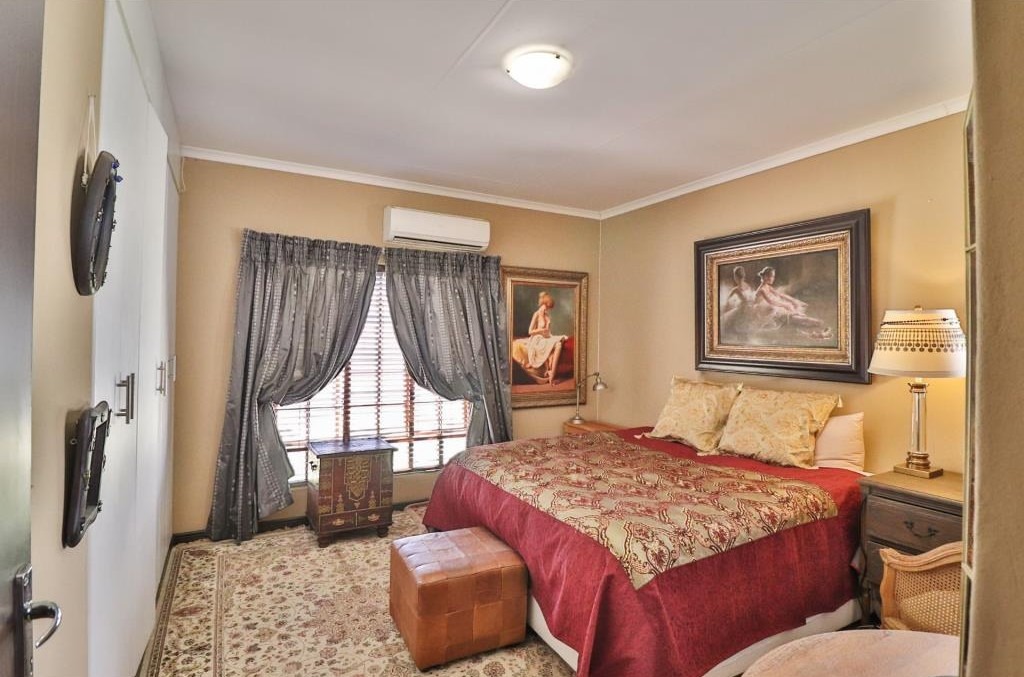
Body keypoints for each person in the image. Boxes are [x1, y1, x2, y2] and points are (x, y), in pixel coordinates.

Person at [753, 266, 831, 338]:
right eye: (772, 276)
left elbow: (780, 295)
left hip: (772, 307)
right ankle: (814, 324)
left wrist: (794, 301)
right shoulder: (762, 289)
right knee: (792, 316)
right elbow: (771, 302)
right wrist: (784, 305)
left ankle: (815, 326)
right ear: (765, 277)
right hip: (766, 311)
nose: (773, 278)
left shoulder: (768, 287)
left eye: (773, 276)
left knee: (792, 309)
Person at [512, 291, 567, 385]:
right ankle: (551, 377)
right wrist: (541, 331)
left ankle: (552, 373)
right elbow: (530, 331)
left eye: (548, 308)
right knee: (557, 344)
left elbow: (548, 332)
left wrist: (548, 335)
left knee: (559, 343)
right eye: (546, 307)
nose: (546, 309)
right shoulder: (536, 314)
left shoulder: (547, 316)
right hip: (537, 339)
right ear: (542, 304)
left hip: (545, 338)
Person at [720, 265, 755, 338]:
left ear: (735, 277)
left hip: (742, 310)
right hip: (748, 308)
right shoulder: (747, 285)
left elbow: (728, 299)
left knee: (727, 322)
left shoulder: (736, 289)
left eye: (734, 276)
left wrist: (728, 304)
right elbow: (750, 298)